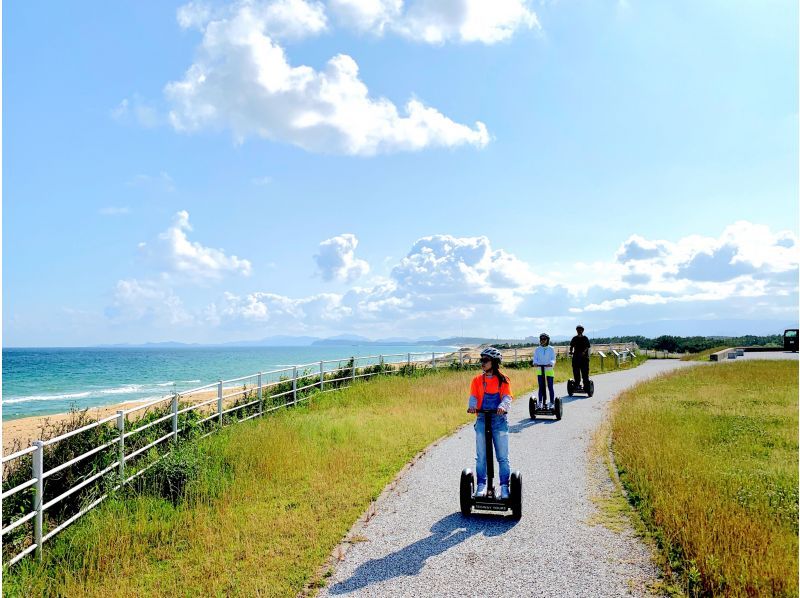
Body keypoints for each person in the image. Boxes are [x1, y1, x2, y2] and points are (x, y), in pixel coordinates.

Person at [467, 347, 513, 499]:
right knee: (481, 456)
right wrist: (472, 406)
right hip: (482, 419)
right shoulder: (477, 380)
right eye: (481, 360)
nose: (482, 363)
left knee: (502, 457)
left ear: (494, 362)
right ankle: (481, 485)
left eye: (485, 360)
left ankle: (505, 487)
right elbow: (473, 396)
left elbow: (507, 397)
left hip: (499, 421)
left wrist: (502, 406)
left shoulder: (503, 380)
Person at [532, 333, 556, 409]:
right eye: (541, 339)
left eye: (544, 339)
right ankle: (540, 402)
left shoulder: (551, 349)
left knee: (550, 386)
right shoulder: (537, 349)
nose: (542, 340)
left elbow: (553, 359)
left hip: (549, 369)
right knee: (541, 386)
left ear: (547, 340)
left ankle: (552, 402)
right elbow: (535, 358)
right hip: (540, 369)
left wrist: (551, 363)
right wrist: (535, 363)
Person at [569, 324, 591, 390]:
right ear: (576, 330)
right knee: (576, 372)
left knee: (585, 373)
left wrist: (584, 352)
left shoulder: (585, 338)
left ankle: (586, 386)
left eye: (580, 329)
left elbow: (587, 347)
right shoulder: (574, 338)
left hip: (584, 358)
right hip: (576, 358)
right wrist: (570, 351)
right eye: (578, 329)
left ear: (582, 330)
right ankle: (577, 384)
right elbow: (571, 346)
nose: (579, 331)